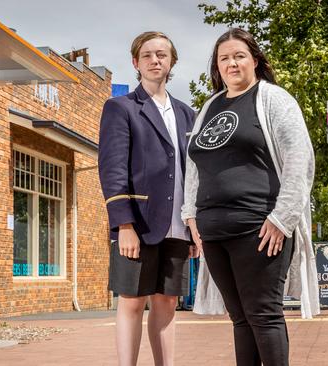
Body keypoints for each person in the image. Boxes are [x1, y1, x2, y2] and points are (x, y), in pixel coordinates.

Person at [181, 28, 320, 365]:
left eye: (239, 56)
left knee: (263, 314)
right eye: (224, 58)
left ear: (255, 60)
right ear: (217, 66)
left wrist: (282, 218)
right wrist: (190, 215)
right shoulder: (210, 107)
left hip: (259, 229)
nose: (232, 63)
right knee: (240, 317)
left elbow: (299, 159)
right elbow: (195, 163)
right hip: (214, 232)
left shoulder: (274, 99)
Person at [98, 31, 197, 366]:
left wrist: (193, 227)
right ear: (135, 62)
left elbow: (193, 174)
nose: (156, 60)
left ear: (172, 62)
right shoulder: (120, 108)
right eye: (148, 55)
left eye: (162, 55)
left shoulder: (188, 114)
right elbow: (112, 170)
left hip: (177, 226)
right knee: (131, 301)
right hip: (137, 223)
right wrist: (122, 224)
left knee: (167, 302)